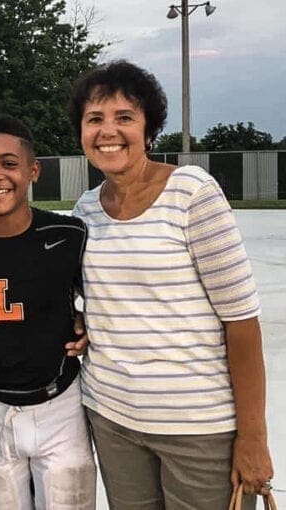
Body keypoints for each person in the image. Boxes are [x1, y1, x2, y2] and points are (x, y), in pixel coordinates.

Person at [69, 60, 274, 509]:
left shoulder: (192, 193)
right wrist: (80, 322)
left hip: (198, 429)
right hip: (112, 419)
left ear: (148, 128)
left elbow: (241, 321)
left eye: (124, 117)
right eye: (95, 119)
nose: (109, 131)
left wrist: (253, 437)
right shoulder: (84, 210)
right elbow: (99, 295)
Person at [0, 114, 96, 509]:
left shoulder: (68, 235)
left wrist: (88, 323)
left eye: (9, 163)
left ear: (33, 170)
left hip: (60, 402)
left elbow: (102, 300)